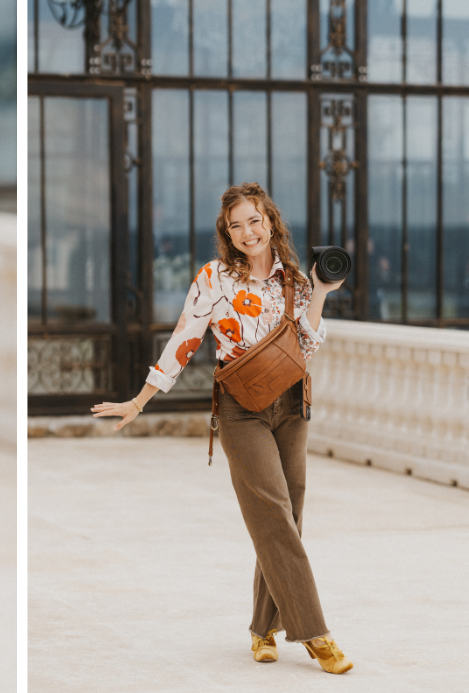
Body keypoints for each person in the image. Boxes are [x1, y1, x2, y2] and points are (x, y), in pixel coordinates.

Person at [92, 182, 353, 675]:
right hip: (240, 412)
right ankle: (316, 633)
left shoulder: (294, 279)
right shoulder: (214, 280)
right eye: (236, 226)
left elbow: (307, 348)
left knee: (285, 517)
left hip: (292, 407)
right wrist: (140, 400)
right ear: (227, 234)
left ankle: (261, 630)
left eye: (254, 221)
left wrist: (319, 293)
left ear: (270, 221)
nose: (247, 232)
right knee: (273, 516)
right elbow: (183, 342)